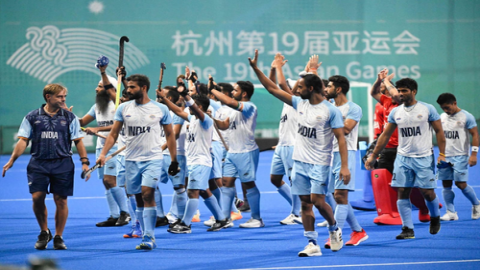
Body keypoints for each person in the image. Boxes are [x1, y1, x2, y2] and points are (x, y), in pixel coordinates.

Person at [250, 51, 348, 257]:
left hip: (320, 163)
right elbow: (271, 88)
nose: (296, 90)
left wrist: (345, 166)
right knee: (305, 203)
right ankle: (312, 243)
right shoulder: (299, 103)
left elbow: (341, 138)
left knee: (319, 202)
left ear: (311, 89)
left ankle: (334, 228)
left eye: (300, 87)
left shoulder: (330, 111)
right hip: (299, 161)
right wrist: (256, 69)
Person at [2, 83, 89, 250]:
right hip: (38, 163)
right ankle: (44, 232)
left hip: (63, 163)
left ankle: (58, 236)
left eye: (64, 96)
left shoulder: (69, 117)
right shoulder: (32, 117)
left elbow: (78, 140)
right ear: (48, 97)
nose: (63, 99)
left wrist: (84, 162)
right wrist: (12, 159)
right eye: (60, 96)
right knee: (37, 198)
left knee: (61, 200)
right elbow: (23, 140)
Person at [97, 74, 179, 250]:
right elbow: (113, 134)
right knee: (138, 199)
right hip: (131, 160)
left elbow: (171, 134)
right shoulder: (123, 108)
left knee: (147, 193)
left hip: (153, 159)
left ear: (143, 88)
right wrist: (103, 154)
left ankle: (150, 237)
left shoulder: (160, 109)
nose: (128, 90)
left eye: (132, 87)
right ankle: (143, 232)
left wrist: (174, 160)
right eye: (128, 86)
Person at [365, 76, 446, 239]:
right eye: (399, 91)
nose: (401, 94)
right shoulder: (396, 112)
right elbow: (385, 135)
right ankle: (407, 228)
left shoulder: (427, 109)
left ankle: (435, 217)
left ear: (413, 92)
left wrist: (442, 154)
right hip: (403, 157)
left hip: (424, 157)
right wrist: (373, 155)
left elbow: (439, 132)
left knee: (427, 193)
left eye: (404, 91)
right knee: (402, 191)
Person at [159, 89, 231, 233]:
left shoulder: (206, 120)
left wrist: (186, 96)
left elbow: (195, 109)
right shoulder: (193, 119)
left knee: (192, 192)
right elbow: (179, 112)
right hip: (194, 162)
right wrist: (164, 99)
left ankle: (185, 224)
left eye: (193, 105)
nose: (188, 107)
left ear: (201, 107)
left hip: (200, 162)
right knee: (204, 191)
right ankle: (221, 219)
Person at [370, 69, 432, 224]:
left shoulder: (402, 102)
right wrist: (380, 80)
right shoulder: (385, 101)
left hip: (405, 150)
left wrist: (385, 81)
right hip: (388, 148)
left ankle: (424, 206)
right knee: (383, 180)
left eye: (387, 88)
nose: (384, 90)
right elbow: (373, 92)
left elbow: (396, 95)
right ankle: (389, 213)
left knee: (409, 186)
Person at [79, 63, 130, 227]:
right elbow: (81, 122)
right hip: (102, 147)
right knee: (106, 182)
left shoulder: (119, 105)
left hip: (117, 148)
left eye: (100, 86)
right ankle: (114, 215)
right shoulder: (96, 107)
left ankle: (125, 213)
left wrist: (97, 128)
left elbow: (117, 126)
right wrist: (66, 113)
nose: (96, 89)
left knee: (110, 180)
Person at [211, 79, 263, 228]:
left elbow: (230, 102)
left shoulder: (249, 107)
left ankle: (257, 218)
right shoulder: (232, 110)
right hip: (232, 152)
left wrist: (213, 90)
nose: (232, 93)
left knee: (248, 183)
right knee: (227, 183)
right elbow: (224, 126)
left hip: (246, 151)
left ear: (244, 93)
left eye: (235, 90)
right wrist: (211, 117)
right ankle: (225, 219)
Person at [324, 75, 368, 247]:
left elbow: (347, 129)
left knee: (341, 196)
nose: (326, 90)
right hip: (328, 155)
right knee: (333, 196)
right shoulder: (329, 107)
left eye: (328, 86)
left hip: (345, 154)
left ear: (338, 89)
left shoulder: (353, 108)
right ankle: (358, 231)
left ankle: (336, 235)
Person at [268, 53, 302, 225]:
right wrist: (273, 68)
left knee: (294, 181)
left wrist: (279, 67)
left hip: (293, 146)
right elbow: (272, 84)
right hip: (282, 145)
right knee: (274, 179)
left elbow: (280, 84)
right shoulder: (286, 101)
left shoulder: (298, 101)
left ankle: (297, 213)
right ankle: (299, 209)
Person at [436, 93, 480, 220]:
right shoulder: (442, 117)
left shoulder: (467, 116)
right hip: (445, 156)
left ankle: (477, 204)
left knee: (461, 184)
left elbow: (475, 135)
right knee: (446, 184)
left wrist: (474, 154)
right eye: (443, 108)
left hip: (460, 155)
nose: (445, 110)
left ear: (454, 103)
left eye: (447, 107)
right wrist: (441, 155)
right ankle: (451, 213)